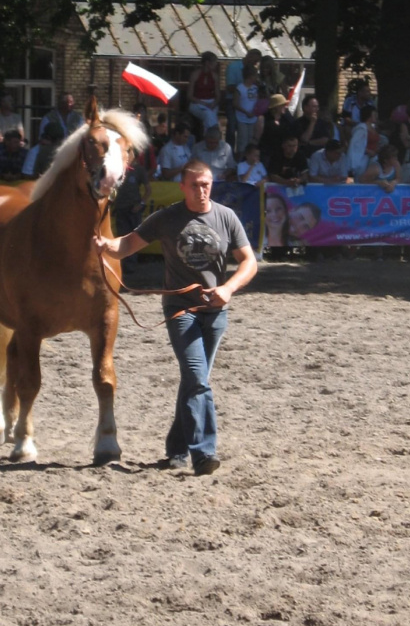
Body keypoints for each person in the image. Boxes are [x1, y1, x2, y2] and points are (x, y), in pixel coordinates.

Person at [94, 159, 258, 476]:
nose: (201, 190)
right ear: (182, 186)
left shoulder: (226, 218)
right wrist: (105, 246)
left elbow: (248, 261)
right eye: (195, 184)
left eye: (206, 184)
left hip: (216, 312)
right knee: (198, 378)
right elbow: (127, 244)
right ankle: (204, 452)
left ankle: (176, 447)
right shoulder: (167, 218)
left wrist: (229, 287)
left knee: (192, 382)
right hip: (180, 310)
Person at [111, 151, 151, 272]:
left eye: (130, 153)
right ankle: (123, 265)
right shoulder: (118, 168)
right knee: (121, 237)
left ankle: (132, 265)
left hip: (134, 208)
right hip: (120, 208)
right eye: (125, 152)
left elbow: (148, 190)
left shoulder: (139, 170)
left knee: (134, 238)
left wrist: (141, 204)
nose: (127, 155)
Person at [225, 49, 262, 153]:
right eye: (254, 61)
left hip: (250, 107)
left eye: (257, 62)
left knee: (250, 135)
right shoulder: (233, 67)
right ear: (248, 56)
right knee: (232, 129)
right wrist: (245, 87)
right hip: (234, 101)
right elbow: (229, 87)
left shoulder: (254, 74)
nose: (255, 63)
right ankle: (231, 154)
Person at [187, 51, 220, 136]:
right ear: (207, 63)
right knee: (208, 114)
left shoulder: (215, 76)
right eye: (214, 62)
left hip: (211, 103)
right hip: (197, 103)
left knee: (209, 115)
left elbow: (218, 95)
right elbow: (189, 96)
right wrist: (203, 103)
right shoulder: (195, 75)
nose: (216, 65)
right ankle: (215, 133)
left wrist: (214, 103)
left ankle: (207, 136)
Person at [346, 105, 380, 181]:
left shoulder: (374, 128)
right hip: (363, 160)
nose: (376, 116)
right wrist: (369, 151)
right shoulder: (361, 129)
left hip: (373, 159)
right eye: (374, 114)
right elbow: (356, 145)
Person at [258, 93, 293, 165]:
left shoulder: (286, 118)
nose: (285, 107)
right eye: (283, 105)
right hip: (267, 152)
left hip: (282, 152)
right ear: (276, 107)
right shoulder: (264, 119)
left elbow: (293, 127)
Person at [234, 63, 260, 155]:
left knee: (251, 141)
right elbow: (235, 103)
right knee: (242, 141)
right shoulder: (240, 88)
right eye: (255, 75)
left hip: (253, 118)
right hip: (242, 119)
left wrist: (255, 111)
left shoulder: (256, 88)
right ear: (250, 76)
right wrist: (246, 112)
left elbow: (258, 101)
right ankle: (241, 159)